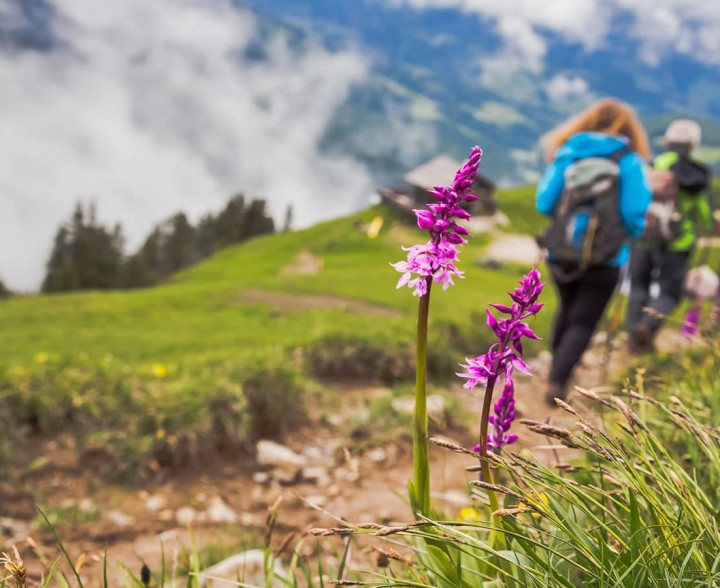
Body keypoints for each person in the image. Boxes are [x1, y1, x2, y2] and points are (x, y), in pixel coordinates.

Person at [536, 98, 652, 405]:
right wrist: (634, 233)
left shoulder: (568, 152)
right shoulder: (628, 160)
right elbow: (634, 212)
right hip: (607, 255)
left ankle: (554, 371)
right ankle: (558, 381)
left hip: (561, 250)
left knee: (567, 308)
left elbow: (544, 203)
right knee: (584, 320)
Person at [626, 119, 715, 353]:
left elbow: (635, 200)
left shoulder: (650, 167)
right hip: (678, 242)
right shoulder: (694, 175)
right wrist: (710, 224)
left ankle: (634, 340)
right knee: (670, 292)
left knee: (638, 288)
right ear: (692, 145)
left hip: (643, 237)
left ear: (668, 141)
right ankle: (648, 326)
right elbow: (703, 215)